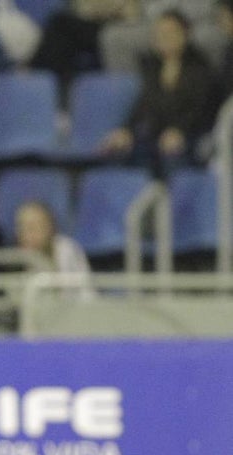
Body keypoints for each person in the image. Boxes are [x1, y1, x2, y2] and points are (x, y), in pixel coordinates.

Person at [100, 10, 218, 171]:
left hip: (193, 134)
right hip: (158, 134)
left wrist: (180, 131)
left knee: (173, 152)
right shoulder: (152, 66)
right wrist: (126, 130)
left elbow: (200, 110)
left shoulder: (200, 68)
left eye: (170, 32)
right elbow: (143, 104)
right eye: (159, 34)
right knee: (119, 149)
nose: (164, 38)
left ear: (185, 34)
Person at [15, 201, 95, 300]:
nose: (27, 233)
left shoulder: (67, 249)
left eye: (33, 227)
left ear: (50, 226)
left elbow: (86, 295)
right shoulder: (13, 258)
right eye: (22, 227)